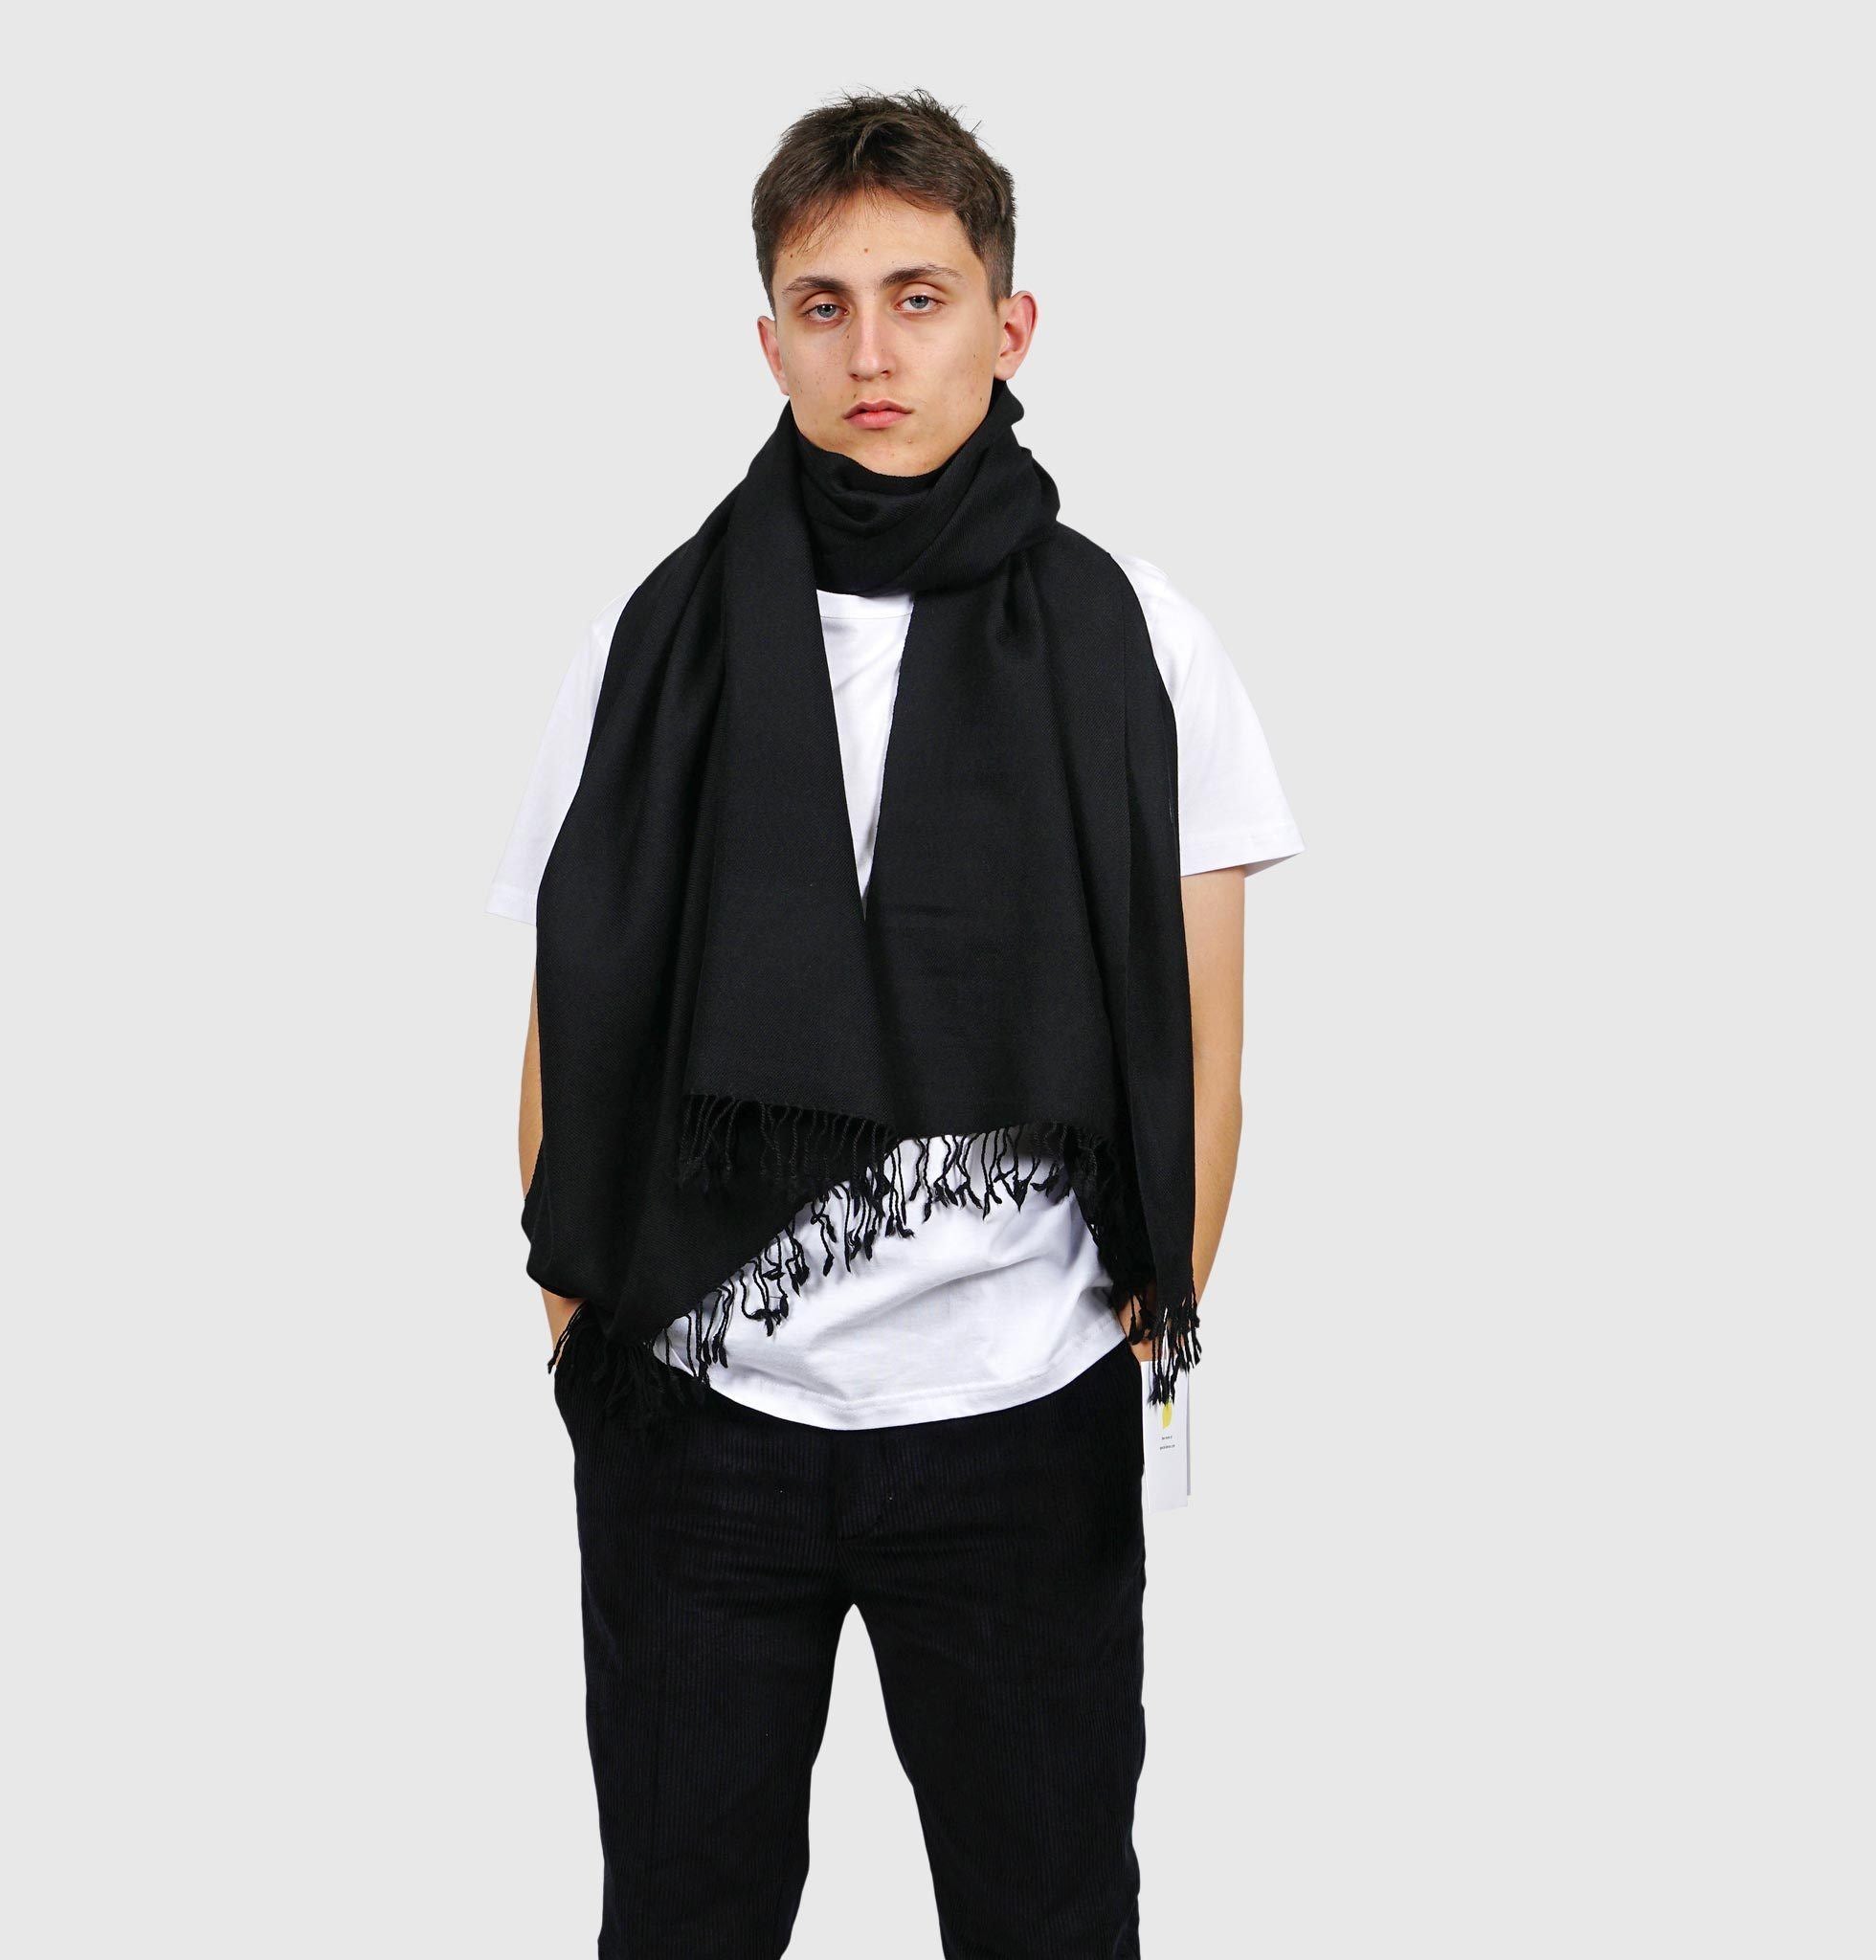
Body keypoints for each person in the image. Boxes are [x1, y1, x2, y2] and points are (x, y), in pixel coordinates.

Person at [488, 89, 1303, 1960]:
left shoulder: (1139, 641)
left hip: (1021, 1426)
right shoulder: (652, 642)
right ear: (769, 338)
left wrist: (1129, 1325)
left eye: (918, 298)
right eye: (825, 303)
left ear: (1009, 326)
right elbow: (564, 1023)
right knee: (680, 1920)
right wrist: (589, 1343)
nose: (872, 351)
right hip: (699, 1422)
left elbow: (1209, 1047)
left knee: (1050, 1922)